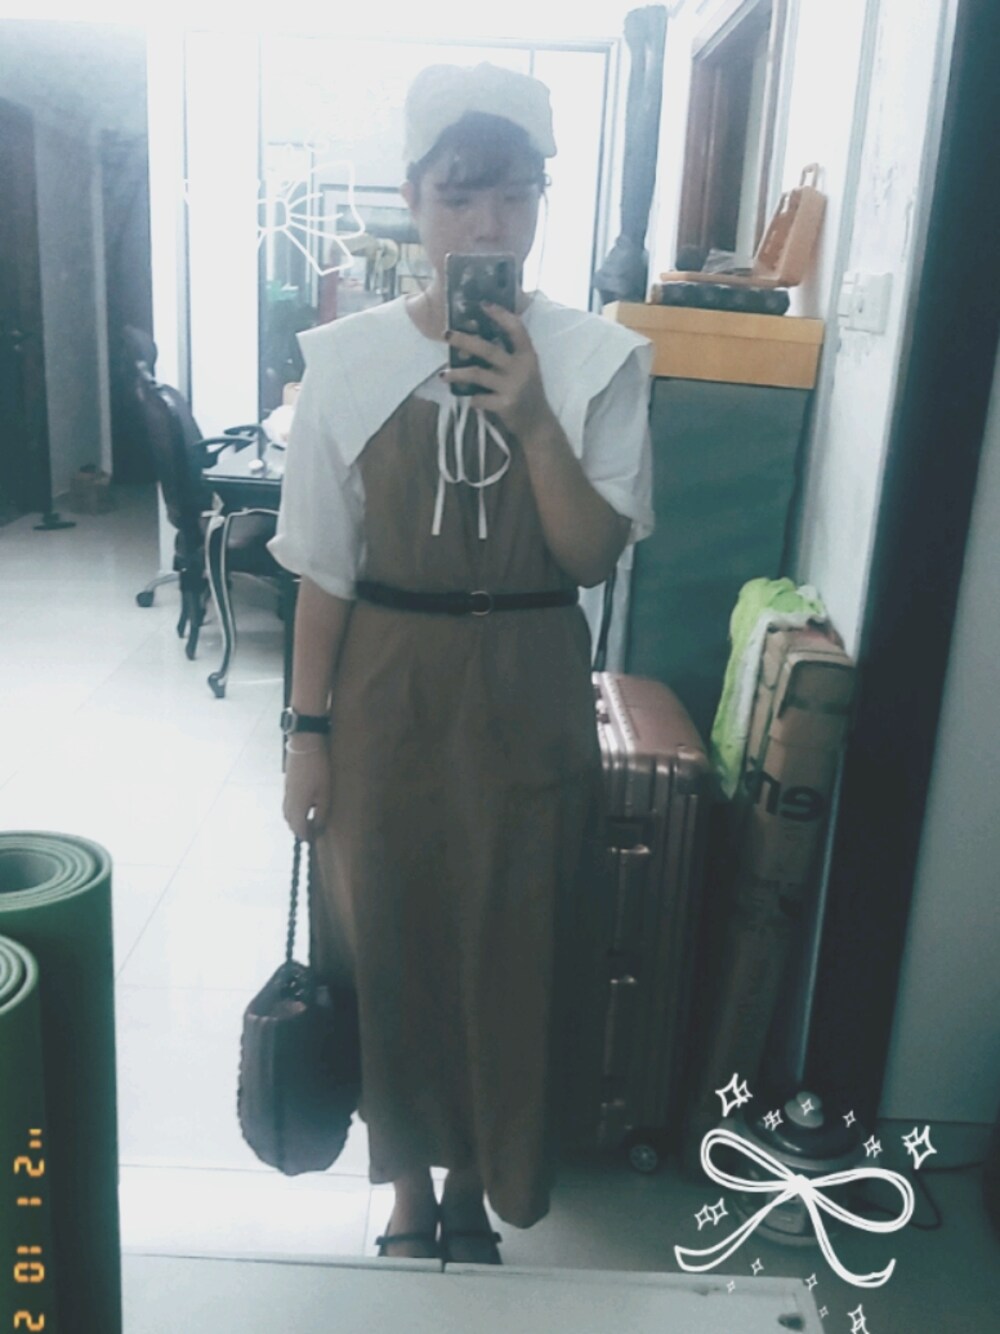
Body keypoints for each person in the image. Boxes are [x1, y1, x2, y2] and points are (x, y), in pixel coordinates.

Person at [269, 61, 654, 1264]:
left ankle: (481, 1178)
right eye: (457, 195)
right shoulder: (344, 361)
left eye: (513, 195)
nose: (486, 224)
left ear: (542, 200)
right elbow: (322, 571)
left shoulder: (601, 359)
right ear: (412, 199)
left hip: (531, 683)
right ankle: (403, 1187)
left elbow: (588, 555)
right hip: (386, 685)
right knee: (383, 934)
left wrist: (533, 415)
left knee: (514, 937)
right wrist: (305, 734)